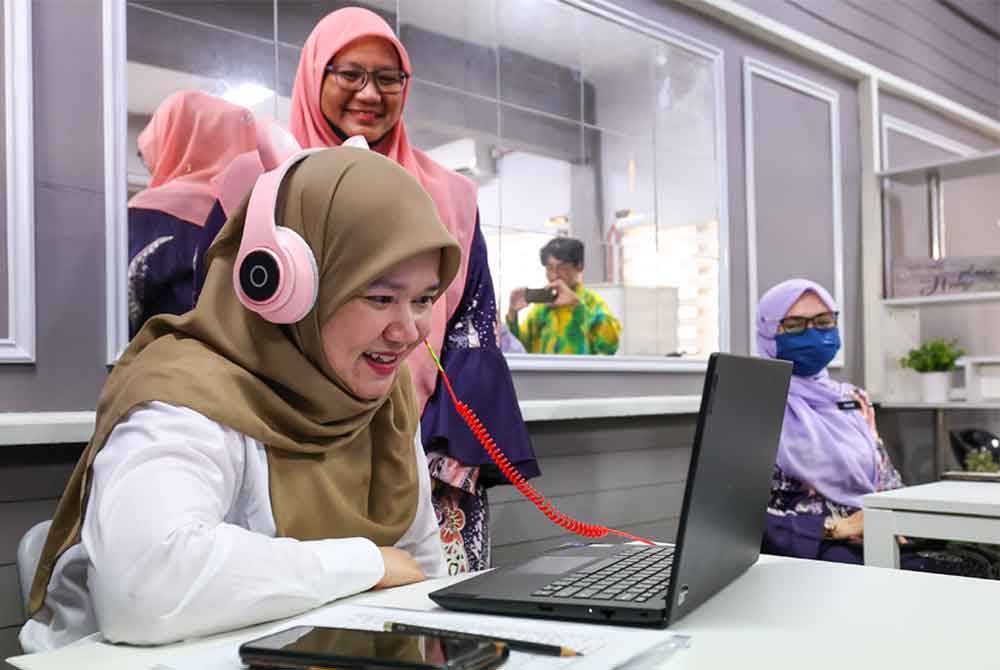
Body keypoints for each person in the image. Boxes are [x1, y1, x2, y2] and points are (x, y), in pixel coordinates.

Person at [21, 148, 460, 651]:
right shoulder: (185, 389)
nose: (409, 331)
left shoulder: (384, 398)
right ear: (288, 288)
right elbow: (145, 588)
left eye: (424, 299)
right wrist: (367, 563)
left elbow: (421, 570)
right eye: (380, 298)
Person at [289, 7, 538, 573]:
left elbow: (472, 318)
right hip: (297, 441)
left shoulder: (448, 195)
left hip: (426, 443)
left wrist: (435, 437)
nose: (369, 93)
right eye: (350, 74)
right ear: (314, 76)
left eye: (388, 78)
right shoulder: (275, 181)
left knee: (440, 607)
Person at [758, 278, 1000, 576]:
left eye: (823, 321)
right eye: (795, 325)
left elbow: (886, 481)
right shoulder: (756, 406)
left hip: (879, 532)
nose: (812, 332)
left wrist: (906, 520)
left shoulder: (852, 399)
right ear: (768, 332)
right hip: (813, 550)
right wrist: (835, 527)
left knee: (981, 562)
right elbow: (739, 514)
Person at [127, 90, 257, 338]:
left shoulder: (144, 218)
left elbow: (119, 312)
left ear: (173, 142)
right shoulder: (258, 217)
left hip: (162, 356)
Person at [506, 237, 621, 355]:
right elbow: (519, 349)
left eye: (562, 268)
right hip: (545, 368)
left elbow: (610, 346)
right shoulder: (543, 307)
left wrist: (577, 306)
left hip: (580, 368)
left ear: (579, 266)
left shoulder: (592, 303)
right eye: (550, 268)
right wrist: (512, 314)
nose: (555, 275)